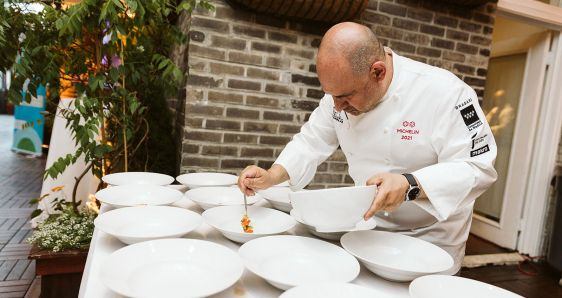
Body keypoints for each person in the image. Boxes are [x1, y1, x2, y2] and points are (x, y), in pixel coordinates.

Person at [238, 22, 497, 275]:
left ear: (378, 72)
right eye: (331, 95)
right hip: (368, 227)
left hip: (431, 238)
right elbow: (310, 141)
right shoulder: (338, 96)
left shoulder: (447, 93)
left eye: (345, 96)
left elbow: (479, 168)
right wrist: (272, 176)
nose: (337, 106)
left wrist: (410, 184)